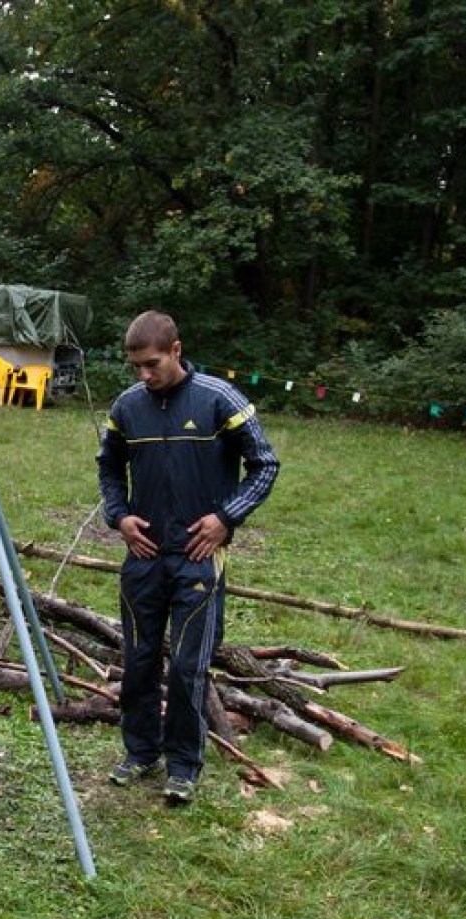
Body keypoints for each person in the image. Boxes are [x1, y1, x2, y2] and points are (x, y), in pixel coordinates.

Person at [96, 311, 280, 804]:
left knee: (186, 666)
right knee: (137, 660)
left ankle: (183, 765)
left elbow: (265, 465)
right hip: (144, 556)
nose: (143, 375)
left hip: (198, 556)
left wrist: (226, 518)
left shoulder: (221, 400)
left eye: (151, 364)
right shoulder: (127, 408)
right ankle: (140, 754)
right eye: (135, 366)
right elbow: (109, 468)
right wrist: (119, 517)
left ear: (176, 350)